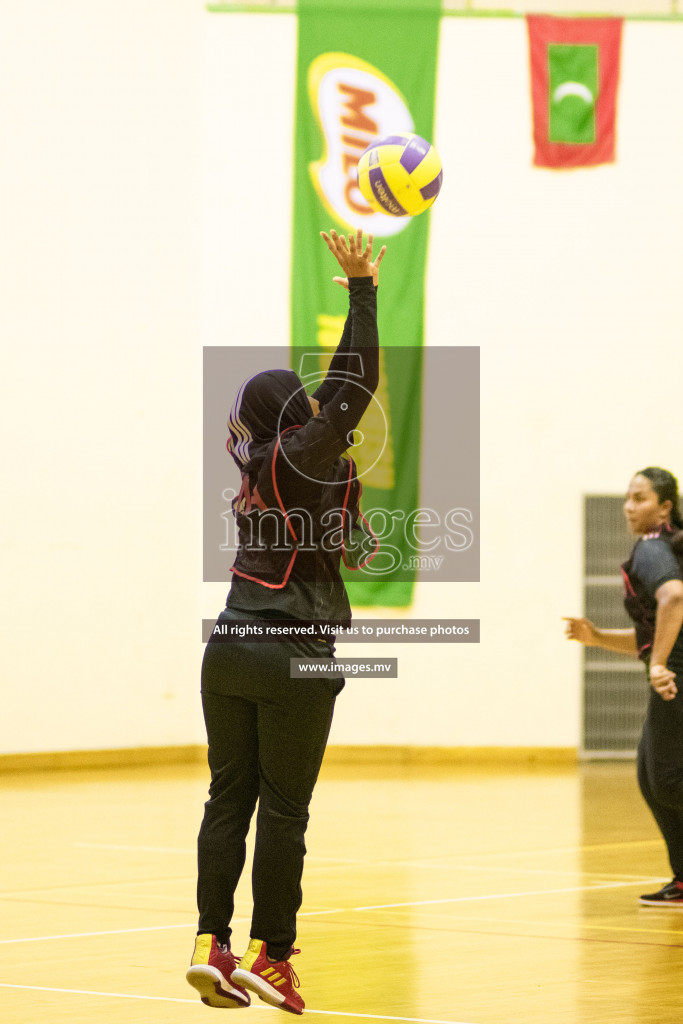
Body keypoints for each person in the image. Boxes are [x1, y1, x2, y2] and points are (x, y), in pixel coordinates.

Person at [186, 228, 386, 1013]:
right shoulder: (297, 456)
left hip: (228, 644)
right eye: (303, 405)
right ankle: (271, 956)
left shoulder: (263, 466)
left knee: (226, 797)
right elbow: (353, 388)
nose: (316, 410)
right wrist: (364, 293)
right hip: (291, 653)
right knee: (286, 809)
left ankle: (211, 942)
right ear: (290, 415)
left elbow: (337, 407)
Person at [565, 467, 683, 907]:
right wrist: (596, 637)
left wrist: (658, 665)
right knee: (652, 777)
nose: (629, 507)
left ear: (664, 506)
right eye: (628, 498)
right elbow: (655, 631)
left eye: (640, 498)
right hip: (673, 669)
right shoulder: (670, 545)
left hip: (674, 677)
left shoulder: (653, 549)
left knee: (667, 780)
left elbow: (674, 598)